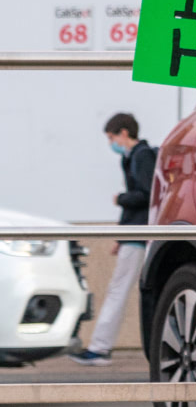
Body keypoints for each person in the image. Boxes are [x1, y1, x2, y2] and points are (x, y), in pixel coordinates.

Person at [77, 113, 155, 363]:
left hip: (139, 233)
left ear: (123, 133)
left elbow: (145, 194)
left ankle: (100, 348)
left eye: (111, 137)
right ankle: (100, 347)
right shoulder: (133, 157)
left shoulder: (141, 156)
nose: (111, 143)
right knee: (120, 290)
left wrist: (120, 198)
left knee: (118, 290)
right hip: (134, 232)